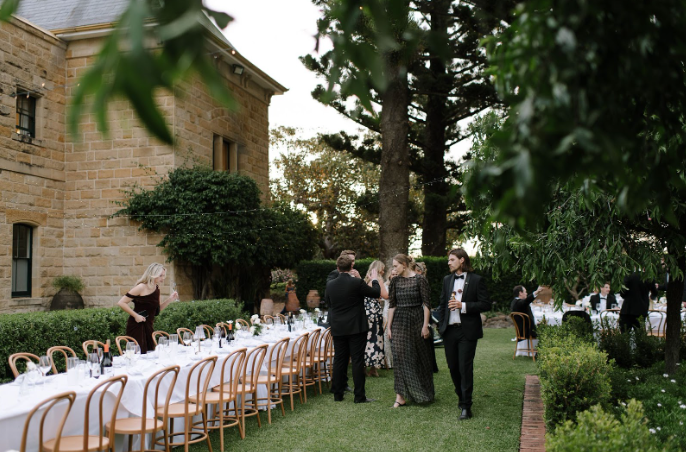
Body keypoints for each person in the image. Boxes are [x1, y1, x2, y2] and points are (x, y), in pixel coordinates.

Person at [435, 248, 491, 420]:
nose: (448, 263)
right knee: (453, 368)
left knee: (465, 368)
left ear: (462, 260)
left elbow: (485, 304)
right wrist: (441, 327)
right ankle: (461, 396)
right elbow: (443, 304)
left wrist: (463, 306)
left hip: (467, 331)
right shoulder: (446, 280)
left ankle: (466, 406)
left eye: (451, 259)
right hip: (449, 331)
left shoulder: (476, 280)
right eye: (448, 260)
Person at [325, 254, 382, 403]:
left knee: (339, 360)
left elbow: (328, 302)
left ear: (338, 268)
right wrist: (375, 279)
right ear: (351, 267)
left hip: (338, 327)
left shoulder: (330, 284)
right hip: (356, 327)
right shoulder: (357, 283)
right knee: (357, 360)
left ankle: (337, 394)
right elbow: (376, 293)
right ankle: (359, 396)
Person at [387, 254, 435, 408]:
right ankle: (399, 396)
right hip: (399, 320)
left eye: (395, 266)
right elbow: (392, 305)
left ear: (404, 264)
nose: (393, 269)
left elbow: (427, 304)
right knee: (399, 355)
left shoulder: (419, 279)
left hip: (417, 319)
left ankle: (423, 392)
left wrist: (425, 325)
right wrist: (388, 327)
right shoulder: (394, 281)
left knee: (418, 357)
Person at [117, 263, 178, 354]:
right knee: (139, 354)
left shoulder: (156, 288)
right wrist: (136, 316)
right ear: (153, 274)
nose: (163, 278)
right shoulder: (141, 287)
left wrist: (170, 299)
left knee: (149, 353)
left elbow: (156, 311)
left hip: (149, 326)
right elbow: (121, 302)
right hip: (137, 326)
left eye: (163, 275)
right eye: (160, 275)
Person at [363, 261, 389, 377]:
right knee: (376, 339)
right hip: (374, 313)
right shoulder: (377, 279)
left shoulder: (366, 280)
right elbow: (385, 295)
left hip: (366, 312)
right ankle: (373, 368)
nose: (383, 272)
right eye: (382, 269)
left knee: (366, 339)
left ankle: (364, 366)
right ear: (378, 270)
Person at [413, 261, 439, 373]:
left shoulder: (422, 282)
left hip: (423, 311)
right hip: (419, 312)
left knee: (425, 338)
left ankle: (428, 365)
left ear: (419, 271)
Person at [382, 267, 397, 369]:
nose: (394, 276)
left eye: (396, 274)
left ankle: (397, 361)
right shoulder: (385, 286)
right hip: (387, 311)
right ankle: (388, 362)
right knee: (387, 336)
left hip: (398, 312)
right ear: (389, 275)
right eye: (393, 274)